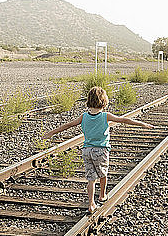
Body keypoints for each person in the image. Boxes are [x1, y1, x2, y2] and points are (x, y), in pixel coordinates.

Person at [44, 85, 154, 213]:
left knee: (91, 178)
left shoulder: (83, 116)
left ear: (89, 100)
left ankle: (91, 204)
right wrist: (142, 124)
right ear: (104, 101)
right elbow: (123, 120)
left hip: (86, 151)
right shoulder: (105, 116)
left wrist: (51, 133)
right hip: (101, 151)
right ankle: (102, 195)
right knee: (103, 174)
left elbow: (69, 125)